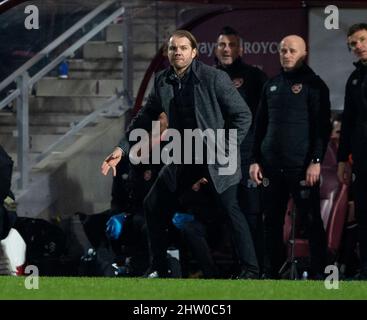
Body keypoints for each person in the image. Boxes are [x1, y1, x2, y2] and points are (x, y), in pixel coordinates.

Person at [101, 29, 259, 279]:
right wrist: (121, 149)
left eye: (184, 48)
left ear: (194, 52)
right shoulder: (162, 80)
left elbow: (243, 115)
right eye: (173, 48)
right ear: (168, 52)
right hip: (184, 155)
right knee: (153, 204)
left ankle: (251, 270)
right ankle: (159, 267)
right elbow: (143, 118)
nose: (178, 52)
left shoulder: (213, 78)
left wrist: (225, 148)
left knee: (230, 210)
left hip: (217, 156)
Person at [249, 35, 331, 279]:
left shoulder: (315, 85)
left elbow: (321, 129)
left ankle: (320, 274)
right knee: (270, 222)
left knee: (312, 221)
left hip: (302, 168)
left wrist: (316, 161)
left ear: (303, 53)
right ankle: (269, 273)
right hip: (272, 167)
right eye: (283, 50)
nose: (286, 54)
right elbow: (259, 125)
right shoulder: (271, 85)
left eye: (291, 50)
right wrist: (254, 159)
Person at [214, 26, 268, 270]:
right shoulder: (208, 76)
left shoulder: (254, 77)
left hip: (247, 155)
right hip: (220, 156)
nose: (227, 49)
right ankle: (242, 268)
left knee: (251, 212)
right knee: (229, 211)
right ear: (216, 48)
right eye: (223, 45)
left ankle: (261, 267)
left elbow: (264, 117)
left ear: (241, 49)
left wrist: (257, 155)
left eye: (232, 45)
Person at [337, 23, 367, 280]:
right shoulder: (354, 79)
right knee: (364, 213)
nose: (358, 46)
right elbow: (347, 122)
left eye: (362, 40)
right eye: (353, 44)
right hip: (361, 158)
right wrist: (341, 159)